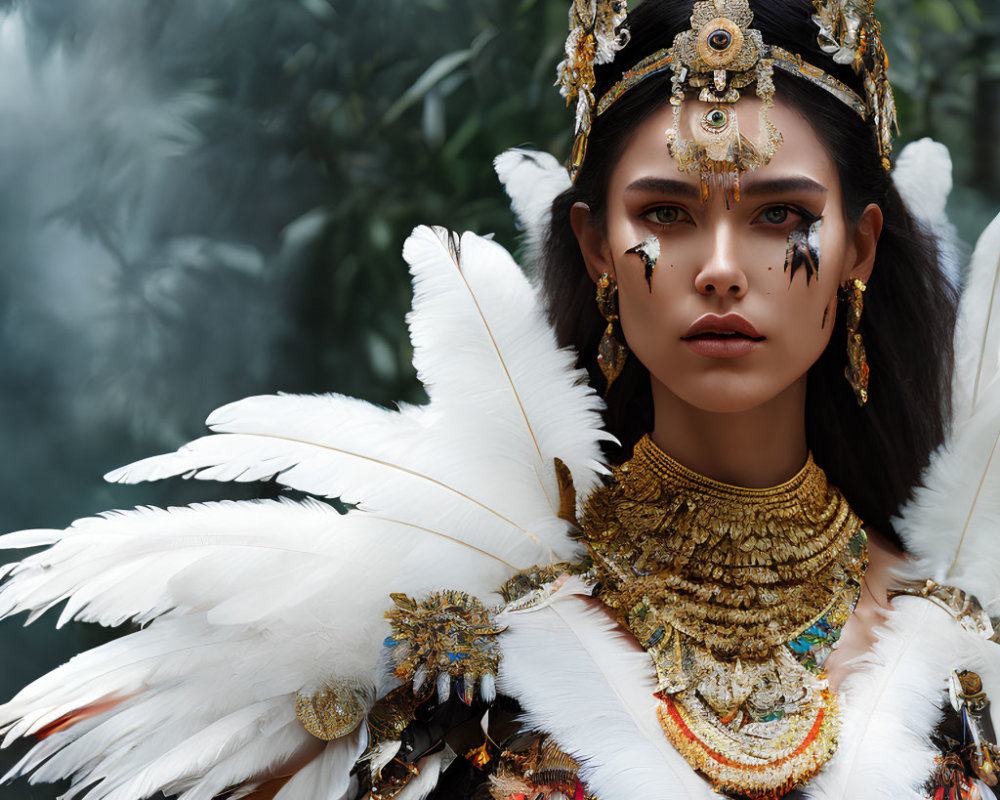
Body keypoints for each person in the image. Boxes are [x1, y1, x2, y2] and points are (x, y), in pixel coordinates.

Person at [0, 0, 998, 798]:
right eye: (668, 214)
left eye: (779, 213)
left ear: (858, 248)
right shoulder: (442, 630)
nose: (722, 270)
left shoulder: (966, 639)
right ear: (595, 249)